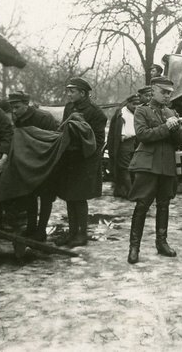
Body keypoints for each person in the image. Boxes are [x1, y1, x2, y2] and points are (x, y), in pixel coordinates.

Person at [126, 76, 182, 264]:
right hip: (147, 164)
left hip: (166, 165)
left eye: (170, 93)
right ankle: (134, 247)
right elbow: (143, 135)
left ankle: (162, 243)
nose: (167, 96)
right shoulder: (141, 111)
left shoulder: (171, 112)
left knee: (164, 205)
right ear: (153, 90)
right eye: (164, 92)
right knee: (142, 205)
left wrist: (176, 128)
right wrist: (166, 127)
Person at [54, 77, 107, 247]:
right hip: (68, 160)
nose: (68, 94)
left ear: (83, 93)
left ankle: (82, 234)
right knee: (69, 197)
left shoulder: (96, 113)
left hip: (84, 161)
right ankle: (72, 232)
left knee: (79, 198)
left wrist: (84, 155)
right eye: (68, 91)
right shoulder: (69, 107)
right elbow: (63, 129)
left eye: (72, 91)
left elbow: (99, 141)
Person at [8, 91, 59, 241]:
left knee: (45, 197)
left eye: (17, 107)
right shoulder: (18, 119)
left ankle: (41, 230)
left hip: (45, 162)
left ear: (26, 104)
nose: (14, 111)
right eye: (12, 107)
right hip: (28, 164)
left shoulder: (44, 117)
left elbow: (51, 140)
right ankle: (31, 227)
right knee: (29, 195)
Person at [107, 94, 140, 199]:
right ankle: (131, 193)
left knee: (132, 168)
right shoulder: (122, 114)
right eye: (133, 104)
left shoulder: (134, 113)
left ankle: (123, 191)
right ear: (128, 103)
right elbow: (116, 133)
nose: (136, 106)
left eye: (137, 104)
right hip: (124, 144)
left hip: (134, 143)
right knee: (124, 168)